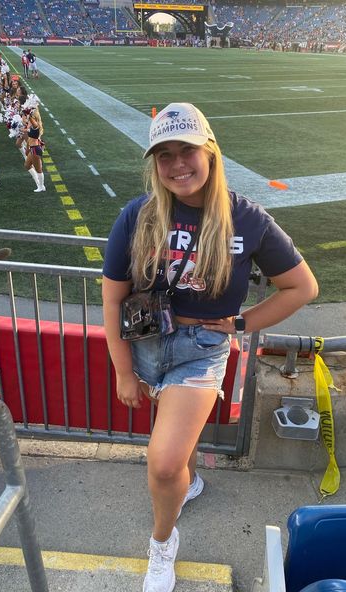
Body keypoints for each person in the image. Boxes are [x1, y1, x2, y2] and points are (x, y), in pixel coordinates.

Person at [102, 102, 319, 592]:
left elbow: (302, 287)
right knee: (177, 451)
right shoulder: (136, 215)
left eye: (188, 151)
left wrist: (241, 322)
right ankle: (191, 480)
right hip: (146, 343)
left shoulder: (248, 218)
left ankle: (162, 544)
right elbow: (111, 298)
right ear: (154, 164)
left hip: (201, 349)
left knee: (161, 462)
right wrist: (122, 371)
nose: (178, 164)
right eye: (165, 155)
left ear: (211, 152)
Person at [23, 107, 46, 192]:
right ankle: (38, 183)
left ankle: (41, 186)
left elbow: (30, 119)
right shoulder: (32, 126)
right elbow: (29, 137)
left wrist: (28, 114)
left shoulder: (36, 126)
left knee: (38, 169)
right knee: (27, 165)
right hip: (32, 148)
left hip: (35, 149)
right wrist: (27, 148)